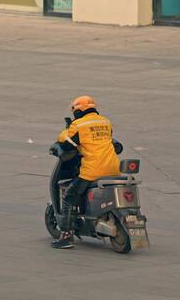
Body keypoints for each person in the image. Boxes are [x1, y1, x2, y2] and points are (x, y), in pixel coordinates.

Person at [52, 95, 120, 249]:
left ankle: (66, 236)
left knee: (70, 197)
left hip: (93, 170)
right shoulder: (105, 121)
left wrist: (67, 129)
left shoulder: (78, 124)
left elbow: (67, 144)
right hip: (113, 167)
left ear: (78, 110)